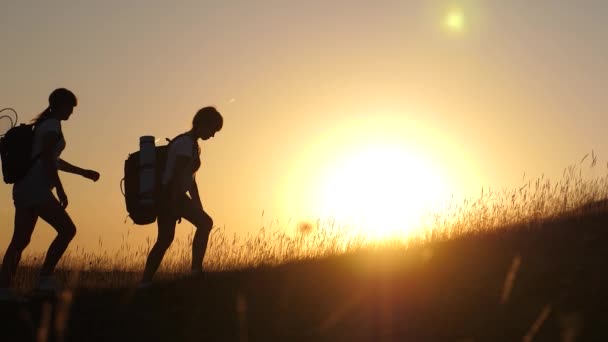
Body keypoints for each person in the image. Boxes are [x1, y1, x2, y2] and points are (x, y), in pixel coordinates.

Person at [0, 88, 100, 297]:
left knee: (20, 240)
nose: (71, 112)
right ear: (61, 105)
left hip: (23, 188)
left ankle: (4, 288)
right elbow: (47, 160)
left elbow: (52, 159)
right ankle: (45, 278)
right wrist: (61, 190)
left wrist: (82, 172)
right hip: (37, 189)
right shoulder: (52, 126)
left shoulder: (43, 125)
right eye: (70, 107)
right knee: (67, 230)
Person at [141, 106, 222, 285]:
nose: (213, 135)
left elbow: (190, 180)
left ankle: (145, 282)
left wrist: (198, 205)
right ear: (202, 123)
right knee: (204, 224)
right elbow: (177, 176)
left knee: (165, 239)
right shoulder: (186, 144)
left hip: (171, 195)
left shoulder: (192, 144)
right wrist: (175, 204)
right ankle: (195, 272)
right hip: (171, 195)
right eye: (213, 129)